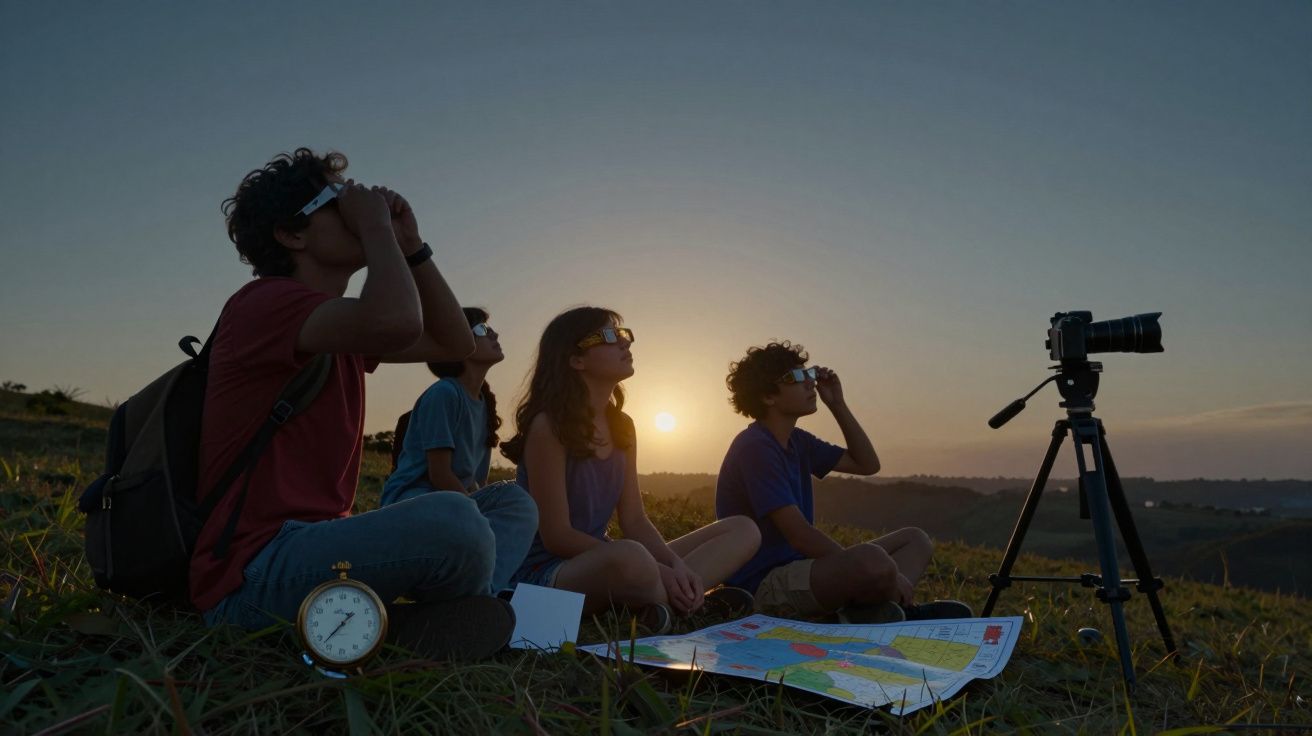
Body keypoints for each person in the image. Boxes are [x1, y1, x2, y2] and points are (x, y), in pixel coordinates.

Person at [191, 148, 521, 659]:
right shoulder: (263, 304)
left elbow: (455, 342)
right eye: (338, 200)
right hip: (254, 577)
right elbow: (395, 321)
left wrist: (412, 246)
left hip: (316, 553)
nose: (359, 205)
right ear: (292, 234)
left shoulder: (337, 327)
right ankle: (398, 627)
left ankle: (388, 627)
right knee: (456, 521)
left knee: (508, 503)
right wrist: (376, 230)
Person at [501, 307, 760, 632]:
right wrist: (654, 565)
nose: (625, 344)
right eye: (610, 336)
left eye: (624, 335)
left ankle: (668, 602)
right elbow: (557, 536)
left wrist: (675, 565)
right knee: (631, 558)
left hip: (610, 560)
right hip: (549, 572)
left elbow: (635, 519)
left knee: (742, 529)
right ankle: (690, 606)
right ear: (575, 360)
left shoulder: (622, 426)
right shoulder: (549, 426)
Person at [715, 341, 972, 623]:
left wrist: (837, 404)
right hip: (763, 584)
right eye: (796, 377)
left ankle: (874, 613)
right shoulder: (755, 446)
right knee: (872, 562)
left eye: (808, 373)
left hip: (803, 571)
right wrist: (863, 566)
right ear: (767, 396)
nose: (809, 383)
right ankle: (890, 612)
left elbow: (866, 464)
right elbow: (799, 534)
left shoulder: (798, 442)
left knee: (915, 540)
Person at [381, 308, 537, 596]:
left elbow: (472, 483)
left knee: (520, 503)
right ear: (455, 344)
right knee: (503, 504)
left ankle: (485, 589)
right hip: (415, 503)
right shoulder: (444, 393)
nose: (494, 334)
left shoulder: (482, 403)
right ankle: (482, 590)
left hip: (456, 506)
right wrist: (481, 524)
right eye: (482, 329)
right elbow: (440, 475)